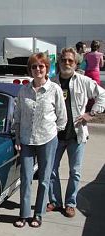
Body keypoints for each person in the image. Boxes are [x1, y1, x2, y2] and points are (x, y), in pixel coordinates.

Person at [47, 47, 105, 217]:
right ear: (59, 62)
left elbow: (102, 95)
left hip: (76, 135)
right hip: (55, 136)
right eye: (64, 60)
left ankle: (70, 203)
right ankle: (55, 201)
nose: (67, 63)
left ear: (76, 63)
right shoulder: (51, 83)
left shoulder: (83, 81)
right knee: (51, 170)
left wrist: (91, 114)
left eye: (70, 60)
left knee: (75, 171)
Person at [13, 52, 67, 228]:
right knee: (26, 177)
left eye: (41, 66)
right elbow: (18, 117)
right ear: (30, 69)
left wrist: (53, 133)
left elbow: (62, 117)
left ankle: (38, 213)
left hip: (48, 139)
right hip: (27, 140)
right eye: (34, 66)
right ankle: (24, 214)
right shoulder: (23, 91)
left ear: (47, 69)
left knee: (44, 178)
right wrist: (18, 137)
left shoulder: (55, 90)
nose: (38, 69)